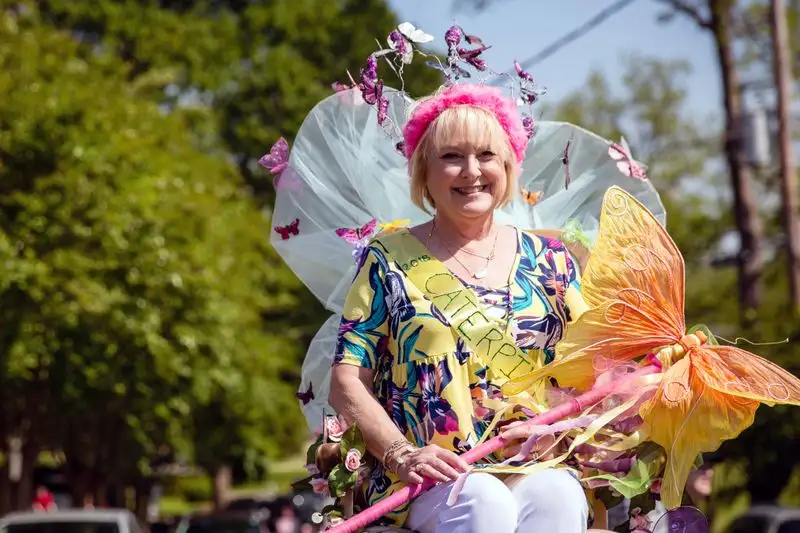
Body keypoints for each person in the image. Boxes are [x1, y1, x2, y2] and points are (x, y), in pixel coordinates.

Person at [266, 23, 665, 533]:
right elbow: (348, 381)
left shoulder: (554, 261)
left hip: (534, 461)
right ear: (425, 175)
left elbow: (596, 363)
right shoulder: (388, 259)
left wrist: (640, 373)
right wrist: (401, 454)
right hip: (426, 476)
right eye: (451, 157)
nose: (470, 171)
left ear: (509, 168)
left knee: (562, 496)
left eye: (486, 156)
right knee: (483, 504)